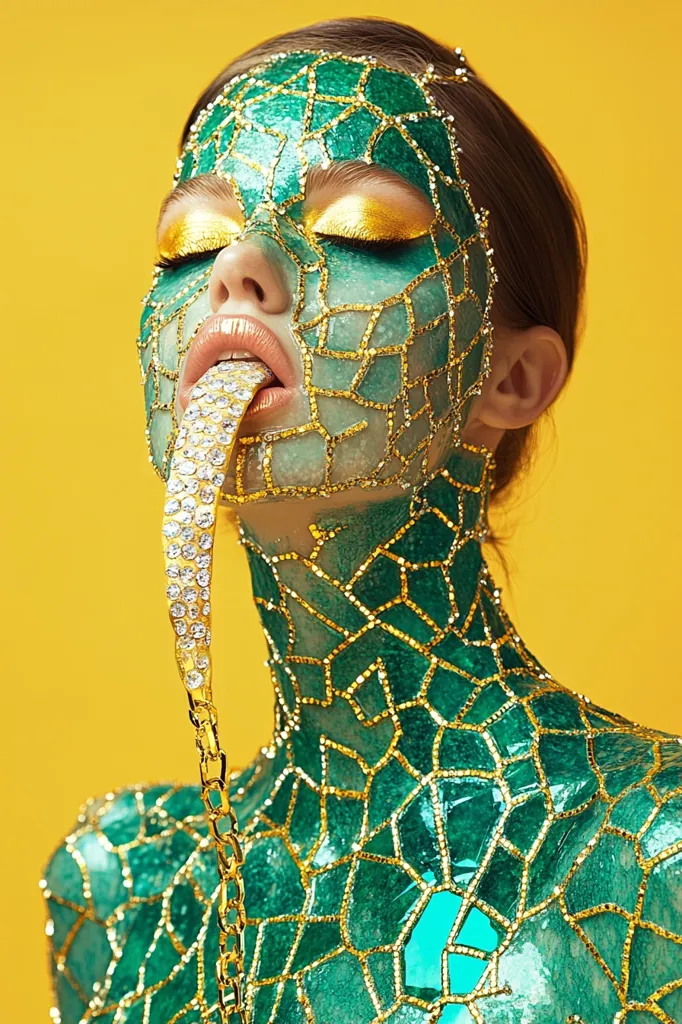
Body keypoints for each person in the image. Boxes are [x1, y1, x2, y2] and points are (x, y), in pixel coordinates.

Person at [42, 19, 682, 1024]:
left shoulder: (649, 859)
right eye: (189, 244)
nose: (237, 271)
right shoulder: (127, 894)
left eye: (359, 233)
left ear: (509, 377)